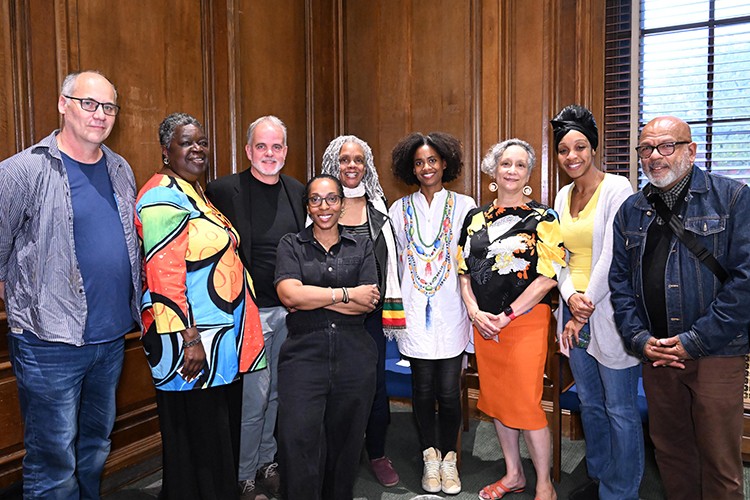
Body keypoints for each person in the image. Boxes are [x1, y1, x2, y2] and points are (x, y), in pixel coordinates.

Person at [0, 70, 140, 499]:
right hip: (48, 344)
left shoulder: (119, 168)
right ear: (63, 104)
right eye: (89, 104)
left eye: (109, 107)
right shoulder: (21, 171)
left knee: (95, 448)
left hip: (111, 339)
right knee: (53, 461)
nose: (100, 115)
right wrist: (28, 304)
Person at [609, 115, 750, 500]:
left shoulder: (734, 198)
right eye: (646, 148)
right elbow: (619, 283)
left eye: (665, 145)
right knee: (672, 453)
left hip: (718, 352)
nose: (655, 156)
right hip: (657, 354)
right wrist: (639, 339)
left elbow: (745, 282)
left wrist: (695, 340)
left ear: (691, 150)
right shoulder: (631, 210)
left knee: (720, 463)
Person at [136, 113, 266, 500]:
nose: (198, 149)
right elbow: (164, 274)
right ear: (165, 150)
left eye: (203, 142)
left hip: (217, 336)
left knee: (212, 433)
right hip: (191, 340)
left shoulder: (194, 192)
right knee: (196, 436)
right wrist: (187, 338)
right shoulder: (162, 196)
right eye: (186, 142)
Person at [458, 139, 566, 500]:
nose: (512, 171)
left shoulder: (544, 218)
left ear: (529, 174)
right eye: (506, 164)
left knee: (525, 403)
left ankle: (545, 485)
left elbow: (548, 276)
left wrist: (506, 316)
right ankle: (513, 473)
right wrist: (474, 312)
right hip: (485, 324)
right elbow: (463, 271)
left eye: (520, 165)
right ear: (494, 169)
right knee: (498, 400)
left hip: (524, 322)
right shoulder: (474, 218)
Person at [205, 115, 306, 499]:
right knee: (254, 398)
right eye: (261, 146)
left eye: (276, 146)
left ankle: (267, 461)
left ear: (285, 151)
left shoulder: (297, 192)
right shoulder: (222, 190)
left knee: (278, 393)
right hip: (247, 315)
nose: (269, 153)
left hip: (290, 313)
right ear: (248, 150)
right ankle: (244, 474)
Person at [550, 105, 642, 500]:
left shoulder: (618, 187)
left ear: (593, 148)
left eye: (580, 147)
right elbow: (556, 252)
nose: (572, 156)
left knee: (620, 408)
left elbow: (614, 254)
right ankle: (600, 474)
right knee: (589, 402)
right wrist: (570, 295)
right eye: (564, 150)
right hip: (573, 309)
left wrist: (585, 302)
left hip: (611, 311)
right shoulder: (562, 192)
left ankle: (622, 491)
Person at [275, 174, 380, 499]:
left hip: (355, 360)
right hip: (303, 360)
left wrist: (314, 297)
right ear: (307, 205)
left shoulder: (361, 245)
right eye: (316, 199)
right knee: (298, 442)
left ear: (342, 204)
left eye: (331, 198)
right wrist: (346, 294)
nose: (324, 206)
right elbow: (290, 296)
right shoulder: (291, 244)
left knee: (346, 445)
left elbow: (369, 302)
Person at [388, 132, 476, 495]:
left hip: (452, 307)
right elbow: (394, 263)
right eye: (420, 162)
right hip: (413, 308)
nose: (427, 168)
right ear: (412, 167)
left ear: (445, 164)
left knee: (448, 390)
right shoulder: (398, 210)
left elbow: (472, 260)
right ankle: (430, 457)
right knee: (421, 390)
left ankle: (450, 459)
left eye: (433, 161)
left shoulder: (465, 204)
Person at [320, 135, 405, 487]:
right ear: (332, 165)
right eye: (344, 160)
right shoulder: (319, 207)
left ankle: (377, 452)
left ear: (366, 165)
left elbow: (391, 267)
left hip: (369, 316)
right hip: (327, 312)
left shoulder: (380, 211)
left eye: (358, 159)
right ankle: (338, 452)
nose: (351, 166)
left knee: (373, 385)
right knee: (331, 386)